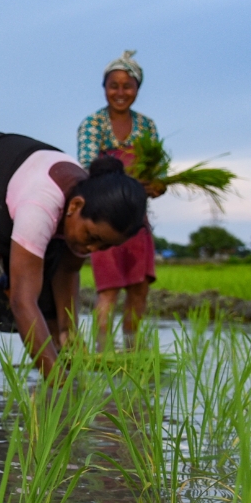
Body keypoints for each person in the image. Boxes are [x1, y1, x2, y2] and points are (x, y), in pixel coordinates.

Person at [0, 132, 147, 376]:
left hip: (2, 203)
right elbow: (22, 301)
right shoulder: (40, 206)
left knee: (52, 313)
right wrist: (56, 381)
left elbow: (68, 270)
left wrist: (70, 332)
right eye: (92, 238)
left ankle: (61, 399)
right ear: (76, 206)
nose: (92, 250)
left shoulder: (87, 207)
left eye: (104, 247)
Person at [77, 50, 167, 351]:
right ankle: (103, 352)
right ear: (104, 88)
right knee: (109, 289)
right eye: (113, 85)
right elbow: (89, 167)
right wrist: (129, 180)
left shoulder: (147, 127)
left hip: (137, 220)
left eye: (127, 86)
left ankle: (132, 351)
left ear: (137, 89)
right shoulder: (92, 125)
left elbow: (158, 171)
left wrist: (156, 185)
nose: (120, 92)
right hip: (105, 216)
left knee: (139, 288)